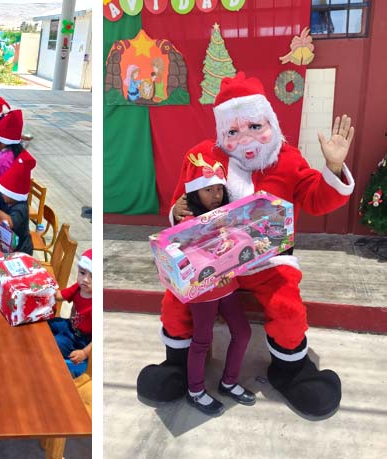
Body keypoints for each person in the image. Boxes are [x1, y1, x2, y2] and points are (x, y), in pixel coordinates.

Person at [137, 72, 356, 419]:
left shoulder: (288, 158)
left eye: (255, 127)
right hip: (211, 259)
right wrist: (178, 214)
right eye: (234, 132)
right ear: (222, 131)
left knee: (287, 307)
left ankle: (290, 371)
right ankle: (177, 365)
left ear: (269, 120)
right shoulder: (200, 157)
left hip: (267, 261)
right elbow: (183, 203)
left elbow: (316, 199)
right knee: (175, 301)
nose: (247, 139)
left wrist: (332, 166)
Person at [169, 153, 254, 416]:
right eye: (208, 189)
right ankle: (195, 391)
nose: (216, 194)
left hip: (228, 285)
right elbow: (185, 253)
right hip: (204, 291)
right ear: (195, 193)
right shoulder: (186, 222)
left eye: (219, 189)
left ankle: (229, 381)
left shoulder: (228, 215)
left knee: (243, 332)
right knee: (202, 341)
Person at [49, 249, 93, 378]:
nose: (85, 280)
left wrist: (84, 353)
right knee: (47, 323)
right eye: (82, 273)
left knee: (54, 343)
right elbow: (59, 295)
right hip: (70, 325)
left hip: (81, 339)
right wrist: (43, 289)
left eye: (92, 276)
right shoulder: (78, 287)